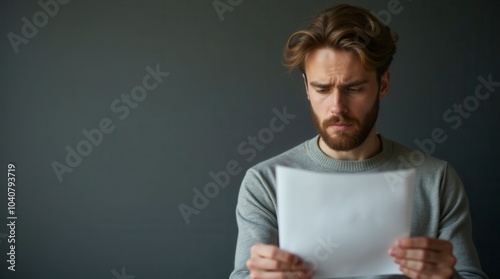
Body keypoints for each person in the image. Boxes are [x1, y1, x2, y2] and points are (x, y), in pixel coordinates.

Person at [229, 4, 488, 279]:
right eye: (322, 89)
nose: (337, 107)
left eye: (354, 88)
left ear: (383, 84)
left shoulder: (437, 180)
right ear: (306, 87)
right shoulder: (264, 183)